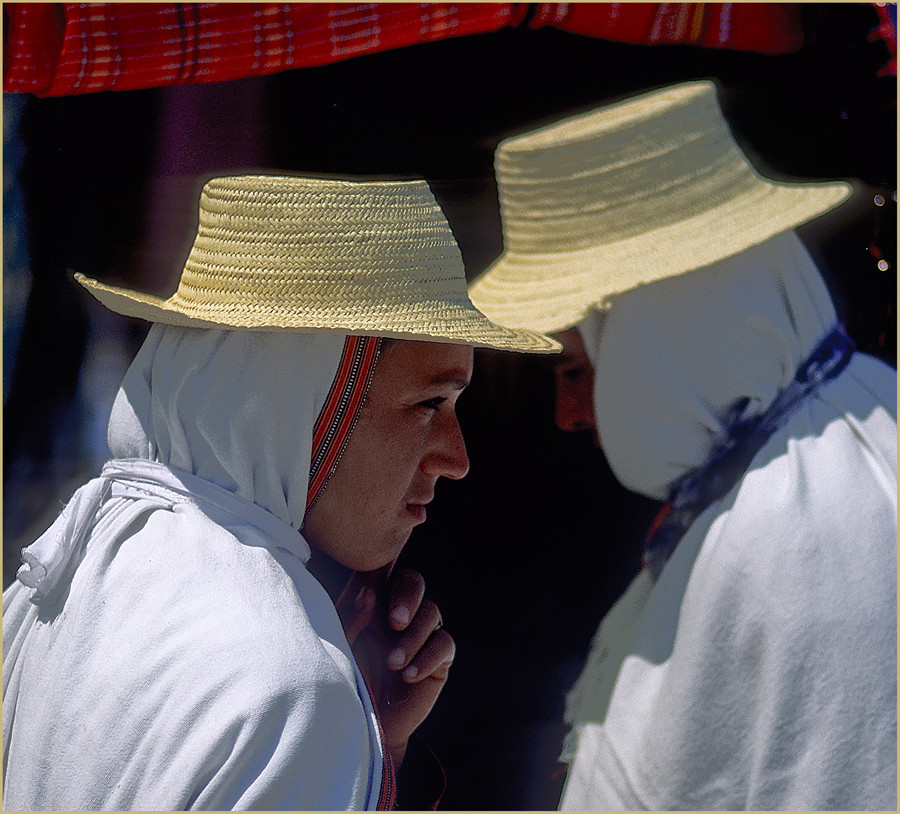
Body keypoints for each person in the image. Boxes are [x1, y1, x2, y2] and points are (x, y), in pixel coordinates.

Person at [2, 173, 559, 810]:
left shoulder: (53, 585)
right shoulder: (290, 687)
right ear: (301, 402)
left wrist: (371, 747)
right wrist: (331, 726)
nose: (457, 459)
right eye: (430, 402)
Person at [469, 80, 897, 810]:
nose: (570, 415)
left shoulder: (799, 528)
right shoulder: (835, 431)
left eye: (577, 370)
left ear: (664, 329)